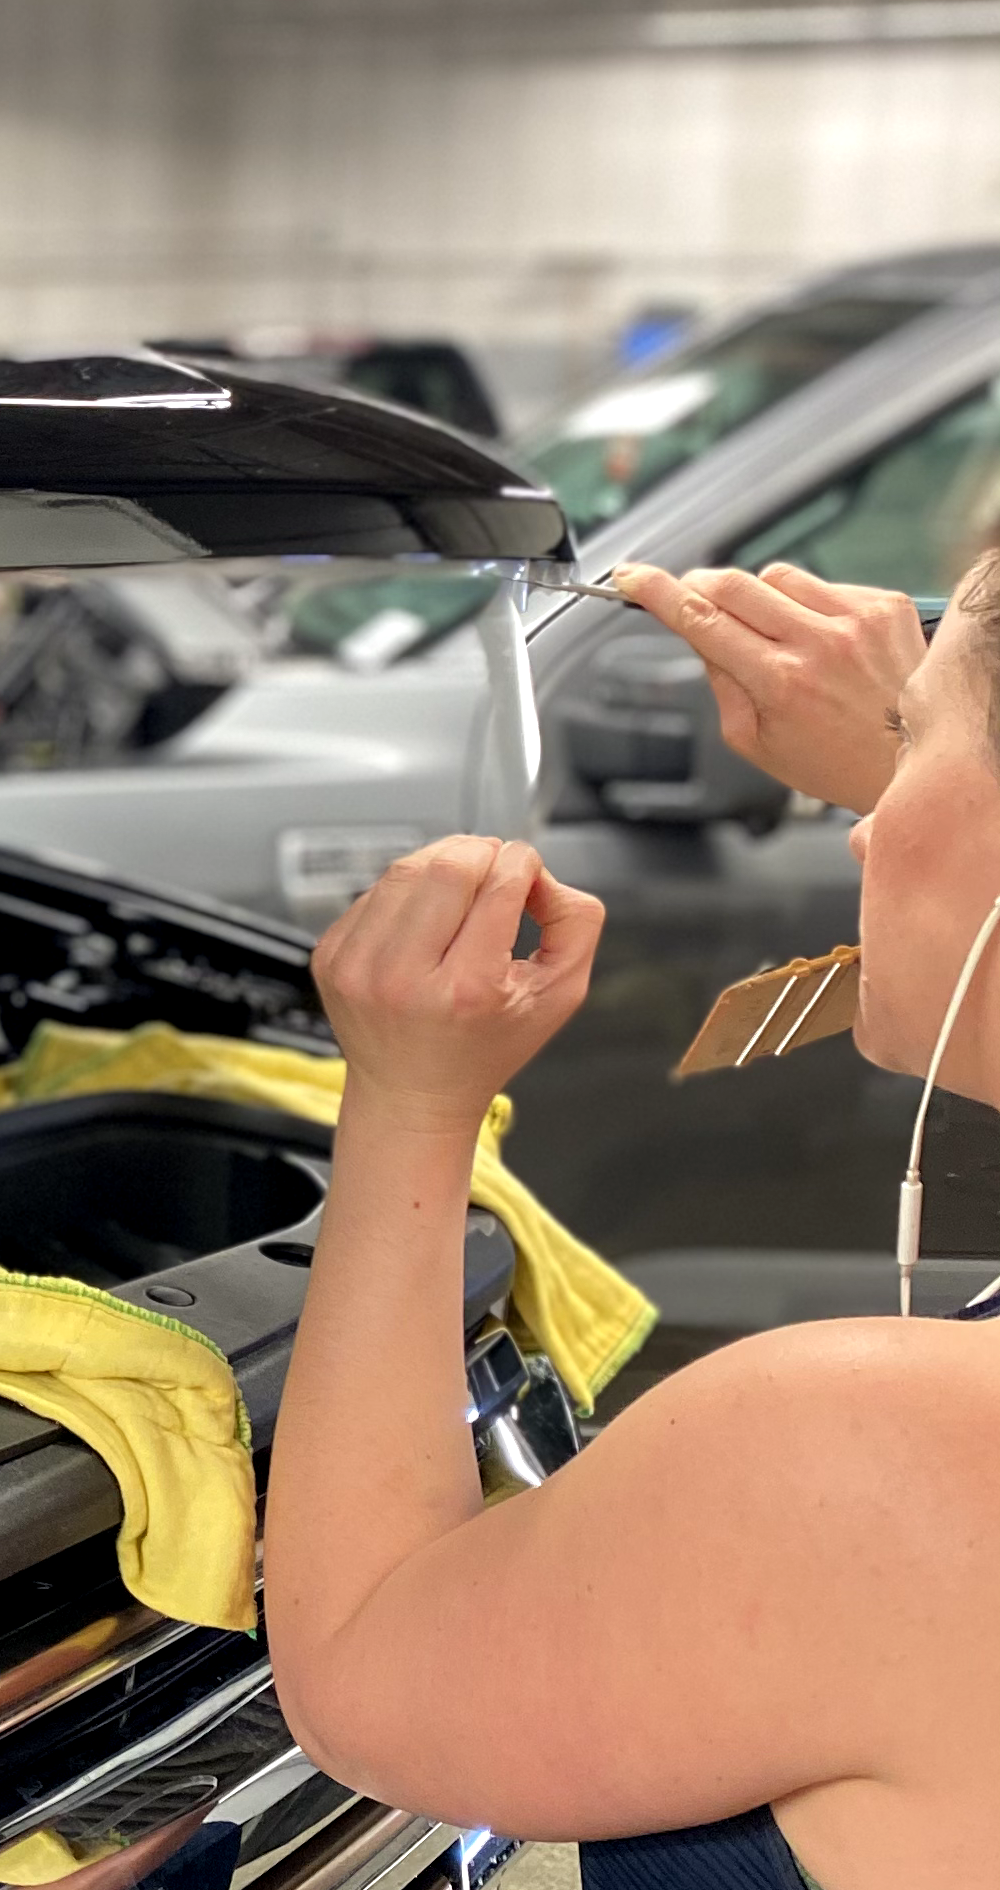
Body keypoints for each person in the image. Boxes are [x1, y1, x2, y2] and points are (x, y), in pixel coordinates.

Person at [263, 557, 982, 1889]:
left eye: (913, 739)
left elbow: (356, 1666)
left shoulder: (859, 1458)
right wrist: (943, 757)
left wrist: (410, 1107)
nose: (862, 829)